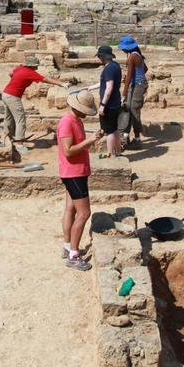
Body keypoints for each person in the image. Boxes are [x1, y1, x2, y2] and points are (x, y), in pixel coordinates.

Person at [57, 91, 103, 271]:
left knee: (70, 208)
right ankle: (74, 255)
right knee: (84, 213)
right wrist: (90, 140)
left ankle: (67, 246)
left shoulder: (76, 120)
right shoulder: (67, 123)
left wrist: (91, 139)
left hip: (75, 172)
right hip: (73, 173)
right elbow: (68, 151)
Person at [1, 55, 67, 144]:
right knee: (20, 119)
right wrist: (61, 84)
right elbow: (45, 79)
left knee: (8, 117)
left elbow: (10, 74)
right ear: (32, 65)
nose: (37, 67)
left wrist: (17, 82)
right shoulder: (30, 72)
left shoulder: (20, 68)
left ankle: (7, 136)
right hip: (13, 96)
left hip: (5, 93)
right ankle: (19, 142)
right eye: (36, 65)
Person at [118, 36, 148, 146]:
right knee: (129, 109)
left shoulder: (132, 58)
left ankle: (137, 138)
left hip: (138, 85)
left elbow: (129, 77)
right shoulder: (137, 54)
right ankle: (127, 135)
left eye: (123, 48)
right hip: (138, 84)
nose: (122, 50)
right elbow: (145, 69)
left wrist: (123, 94)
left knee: (134, 111)